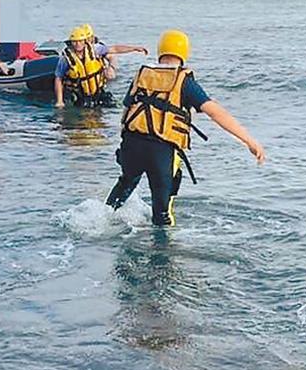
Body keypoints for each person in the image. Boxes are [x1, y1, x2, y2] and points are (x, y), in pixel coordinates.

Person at [105, 30, 266, 227]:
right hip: (161, 152)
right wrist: (249, 140)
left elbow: (128, 107)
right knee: (162, 214)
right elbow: (216, 113)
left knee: (127, 182)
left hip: (131, 147)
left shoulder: (142, 75)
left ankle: (102, 219)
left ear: (160, 51)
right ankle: (165, 255)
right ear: (184, 54)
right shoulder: (184, 82)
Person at [54, 24, 148, 108]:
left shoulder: (95, 49)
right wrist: (59, 101)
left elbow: (114, 49)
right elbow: (58, 78)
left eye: (80, 41)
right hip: (80, 95)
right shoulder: (66, 59)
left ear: (84, 41)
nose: (78, 44)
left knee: (115, 107)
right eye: (75, 42)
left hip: (99, 92)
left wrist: (134, 48)